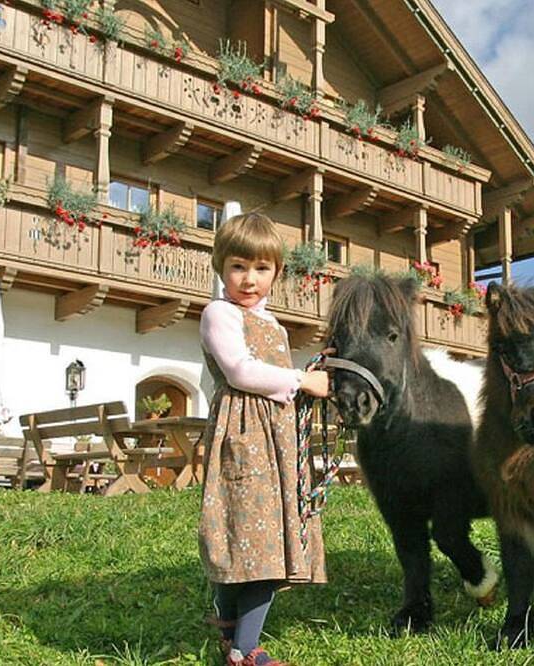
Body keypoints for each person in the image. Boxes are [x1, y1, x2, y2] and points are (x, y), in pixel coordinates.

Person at [199, 212, 329, 666]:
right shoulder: (219, 313)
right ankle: (245, 650)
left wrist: (307, 378)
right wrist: (301, 379)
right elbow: (240, 370)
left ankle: (232, 634)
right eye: (238, 267)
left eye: (261, 268)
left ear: (276, 271)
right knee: (251, 539)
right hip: (243, 435)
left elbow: (274, 375)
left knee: (265, 537)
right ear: (221, 267)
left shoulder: (272, 324)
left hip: (278, 438)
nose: (249, 279)